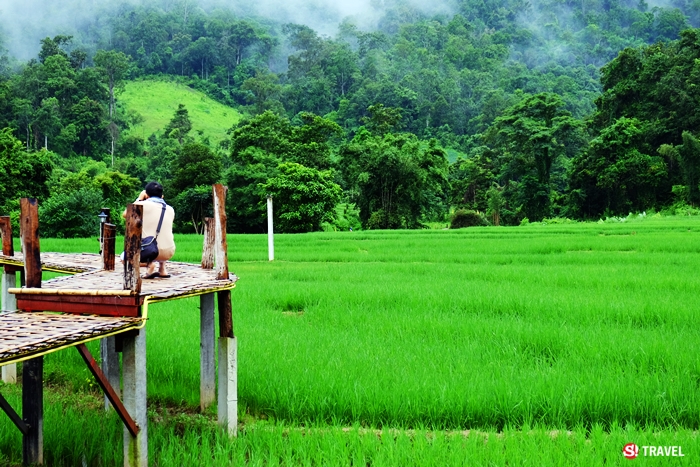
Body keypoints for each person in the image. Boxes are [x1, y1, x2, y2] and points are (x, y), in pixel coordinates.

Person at [125, 181, 176, 279]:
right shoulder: (170, 209)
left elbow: (126, 214)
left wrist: (139, 199)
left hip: (149, 251)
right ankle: (162, 269)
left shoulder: (143, 205)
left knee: (124, 258)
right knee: (160, 234)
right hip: (168, 251)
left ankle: (149, 264)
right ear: (162, 196)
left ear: (146, 195)